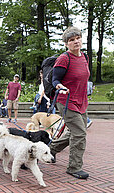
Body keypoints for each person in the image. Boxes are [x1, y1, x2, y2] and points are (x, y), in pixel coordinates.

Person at [49, 26, 90, 179]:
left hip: (81, 101)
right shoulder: (64, 58)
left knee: (75, 132)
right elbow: (55, 79)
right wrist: (59, 86)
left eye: (77, 38)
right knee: (80, 133)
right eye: (71, 40)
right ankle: (74, 167)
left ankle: (51, 148)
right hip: (66, 101)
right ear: (66, 44)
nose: (75, 42)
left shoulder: (84, 57)